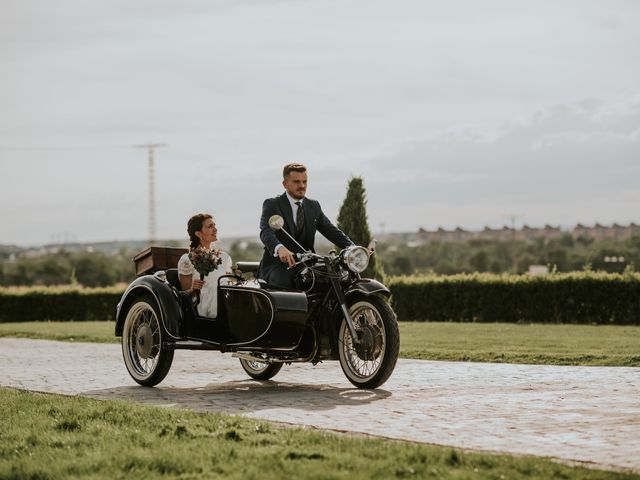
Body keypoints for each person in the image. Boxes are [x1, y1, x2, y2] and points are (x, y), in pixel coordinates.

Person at [258, 163, 353, 289]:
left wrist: (353, 248)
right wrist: (279, 248)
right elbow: (266, 231)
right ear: (285, 184)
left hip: (307, 264)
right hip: (279, 265)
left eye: (305, 181)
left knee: (335, 281)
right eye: (296, 182)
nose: (302, 186)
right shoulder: (272, 204)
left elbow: (331, 230)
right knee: (284, 285)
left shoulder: (313, 206)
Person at [178, 213, 232, 318]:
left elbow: (229, 281)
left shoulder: (224, 257)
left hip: (225, 298)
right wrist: (192, 288)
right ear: (199, 234)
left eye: (214, 225)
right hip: (203, 303)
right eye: (210, 226)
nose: (215, 229)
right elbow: (184, 295)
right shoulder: (187, 260)